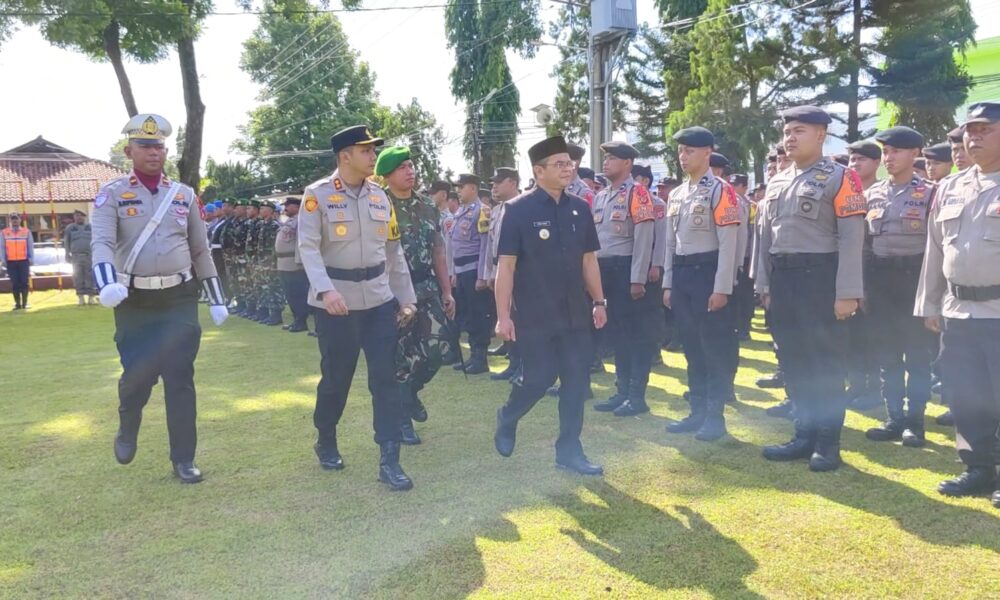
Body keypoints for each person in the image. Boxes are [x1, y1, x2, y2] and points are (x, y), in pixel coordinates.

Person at [90, 113, 228, 484]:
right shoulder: (112, 195)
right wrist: (106, 283)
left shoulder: (183, 195)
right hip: (134, 300)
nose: (154, 152)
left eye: (159, 145)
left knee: (180, 377)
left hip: (178, 299)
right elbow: (101, 243)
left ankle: (184, 458)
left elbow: (201, 250)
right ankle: (128, 422)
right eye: (145, 145)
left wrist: (216, 298)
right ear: (128, 150)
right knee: (138, 376)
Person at [297, 125, 417, 492]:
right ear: (345, 155)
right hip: (338, 304)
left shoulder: (381, 198)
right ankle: (326, 437)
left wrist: (407, 297)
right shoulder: (316, 196)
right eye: (366, 150)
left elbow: (393, 253)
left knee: (386, 379)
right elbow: (309, 248)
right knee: (337, 378)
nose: (372, 156)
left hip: (379, 300)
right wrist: (325, 291)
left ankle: (390, 458)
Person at [754, 105, 866, 472]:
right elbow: (764, 237)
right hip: (784, 279)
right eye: (787, 131)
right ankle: (802, 434)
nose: (790, 137)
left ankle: (827, 442)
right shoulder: (777, 180)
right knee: (794, 361)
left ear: (821, 135)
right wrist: (764, 282)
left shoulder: (841, 177)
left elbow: (851, 239)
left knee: (825, 364)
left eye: (799, 130)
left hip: (821, 277)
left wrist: (847, 292)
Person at [493, 135, 607, 475]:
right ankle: (508, 416)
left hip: (574, 313)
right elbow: (506, 266)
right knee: (538, 379)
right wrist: (502, 316)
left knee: (575, 383)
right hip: (535, 314)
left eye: (569, 163)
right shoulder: (517, 210)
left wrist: (599, 301)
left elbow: (589, 261)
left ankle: (569, 450)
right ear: (538, 171)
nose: (567, 169)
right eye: (559, 164)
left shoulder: (580, 208)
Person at [915, 101, 1000, 509]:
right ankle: (978, 468)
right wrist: (929, 304)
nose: (974, 137)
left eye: (985, 129)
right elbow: (934, 251)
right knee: (965, 396)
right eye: (970, 130)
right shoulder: (950, 187)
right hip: (958, 312)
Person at [662, 127, 741, 441]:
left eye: (690, 151)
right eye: (681, 151)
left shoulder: (720, 191)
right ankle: (696, 412)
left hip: (708, 273)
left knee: (713, 348)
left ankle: (715, 416)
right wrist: (668, 283)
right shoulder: (678, 194)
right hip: (682, 276)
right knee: (692, 347)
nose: (683, 156)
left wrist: (722, 288)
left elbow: (729, 242)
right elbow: (669, 243)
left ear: (708, 152)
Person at [376, 146, 456, 446]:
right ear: (386, 175)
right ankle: (402, 421)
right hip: (390, 291)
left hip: (425, 287)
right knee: (400, 357)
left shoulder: (427, 206)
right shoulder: (377, 204)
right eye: (401, 168)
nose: (410, 171)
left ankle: (410, 394)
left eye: (411, 166)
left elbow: (438, 250)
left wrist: (447, 290)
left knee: (439, 347)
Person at [862, 126, 937, 447]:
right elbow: (864, 245)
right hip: (880, 283)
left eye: (895, 152)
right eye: (885, 152)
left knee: (918, 357)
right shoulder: (873, 194)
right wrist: (862, 287)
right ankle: (894, 417)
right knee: (887, 354)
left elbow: (937, 245)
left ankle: (915, 422)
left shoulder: (932, 193)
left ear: (914, 154)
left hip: (915, 281)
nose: (888, 158)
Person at [590, 141, 658, 417]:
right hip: (605, 270)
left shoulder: (638, 193)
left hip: (626, 269)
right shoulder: (601, 195)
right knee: (617, 335)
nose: (606, 162)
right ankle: (621, 391)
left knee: (635, 335)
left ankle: (636, 395)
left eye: (613, 158)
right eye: (605, 158)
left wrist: (638, 277)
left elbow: (644, 237)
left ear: (628, 163)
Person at [843, 139, 884, 411]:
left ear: (876, 163)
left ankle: (874, 389)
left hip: (873, 274)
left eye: (860, 160)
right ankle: (857, 385)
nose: (854, 165)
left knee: (873, 334)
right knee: (851, 335)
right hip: (847, 271)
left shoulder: (881, 193)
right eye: (851, 160)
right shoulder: (845, 192)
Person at [447, 173, 492, 374]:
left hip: (474, 269)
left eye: (462, 186)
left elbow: (484, 245)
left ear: (473, 188)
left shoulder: (481, 211)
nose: (458, 190)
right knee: (468, 314)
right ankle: (473, 356)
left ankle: (480, 358)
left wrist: (483, 275)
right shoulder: (459, 212)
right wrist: (454, 272)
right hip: (462, 270)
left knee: (478, 314)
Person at [485, 167, 523, 382]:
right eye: (493, 183)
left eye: (499, 182)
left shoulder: (523, 207)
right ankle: (514, 361)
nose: (494, 187)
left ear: (512, 182)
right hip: (501, 268)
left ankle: (524, 365)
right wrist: (492, 272)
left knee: (520, 319)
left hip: (518, 271)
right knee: (506, 316)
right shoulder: (498, 210)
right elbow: (492, 246)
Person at [276, 197, 311, 333]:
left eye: (288, 206)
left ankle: (301, 321)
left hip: (293, 263)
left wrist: (300, 261)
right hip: (283, 263)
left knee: (297, 293)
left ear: (296, 207)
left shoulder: (301, 221)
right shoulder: (289, 221)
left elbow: (300, 242)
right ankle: (296, 319)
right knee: (289, 293)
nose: (285, 208)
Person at [729, 174, 755, 340]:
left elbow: (750, 233)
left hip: (746, 256)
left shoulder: (749, 205)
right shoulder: (730, 201)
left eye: (736, 185)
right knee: (734, 295)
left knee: (745, 295)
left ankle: (744, 328)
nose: (732, 188)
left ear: (744, 187)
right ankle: (736, 326)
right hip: (733, 255)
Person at [64, 210, 96, 305]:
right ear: (74, 217)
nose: (78, 217)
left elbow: (96, 241)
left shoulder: (90, 227)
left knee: (90, 276)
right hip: (76, 257)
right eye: (76, 216)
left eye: (80, 216)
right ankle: (81, 298)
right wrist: (67, 254)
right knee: (78, 277)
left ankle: (91, 297)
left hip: (89, 256)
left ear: (84, 217)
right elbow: (66, 242)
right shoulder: (70, 228)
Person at [2, 213, 33, 310]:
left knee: (24, 282)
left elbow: (30, 246)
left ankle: (25, 303)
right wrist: (3, 260)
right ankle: (17, 304)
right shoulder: (4, 232)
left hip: (23, 261)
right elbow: (2, 247)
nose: (15, 221)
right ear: (10, 221)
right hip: (11, 262)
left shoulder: (26, 231)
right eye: (13, 219)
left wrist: (31, 259)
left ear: (20, 220)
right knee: (15, 283)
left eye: (16, 219)